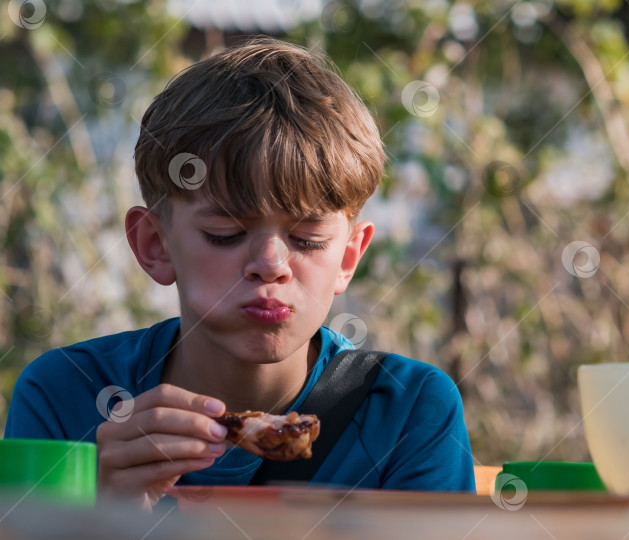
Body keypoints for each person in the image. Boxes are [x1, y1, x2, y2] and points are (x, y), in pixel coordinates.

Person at [3, 37, 475, 510]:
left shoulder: (409, 411)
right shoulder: (66, 397)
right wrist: (99, 518)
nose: (271, 264)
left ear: (349, 257)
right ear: (155, 245)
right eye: (225, 232)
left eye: (308, 238)